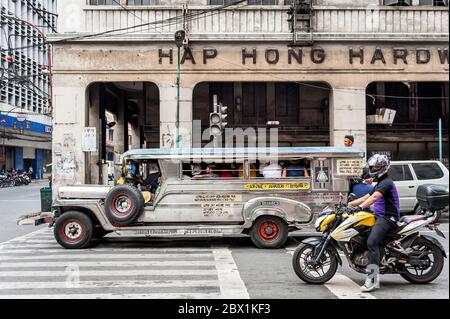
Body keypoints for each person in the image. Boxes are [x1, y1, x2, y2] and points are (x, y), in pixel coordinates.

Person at [348, 154, 400, 293]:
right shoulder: (380, 181)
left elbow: (374, 198)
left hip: (388, 218)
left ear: (383, 167)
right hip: (378, 216)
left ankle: (371, 279)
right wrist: (349, 204)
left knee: (372, 243)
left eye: (376, 167)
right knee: (363, 238)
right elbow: (368, 196)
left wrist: (360, 207)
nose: (373, 169)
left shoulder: (386, 182)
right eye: (372, 167)